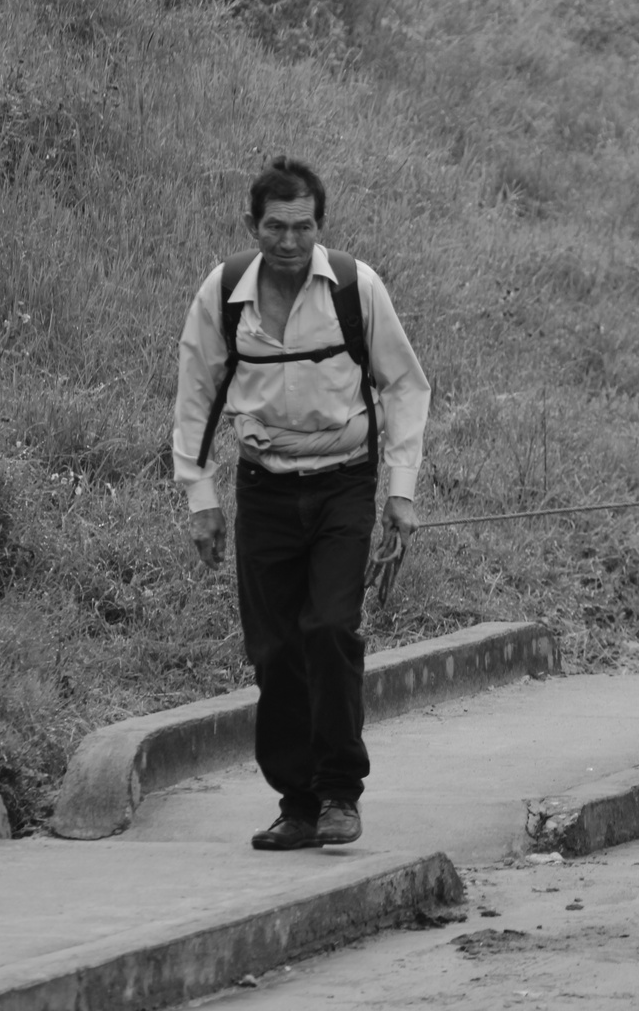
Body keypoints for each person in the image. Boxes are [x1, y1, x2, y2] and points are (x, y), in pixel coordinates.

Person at [172, 157, 431, 849]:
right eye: (276, 227)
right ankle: (298, 804)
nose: (290, 242)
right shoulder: (224, 294)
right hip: (262, 489)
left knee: (329, 629)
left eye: (304, 227)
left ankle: (341, 793)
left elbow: (404, 386)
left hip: (345, 481)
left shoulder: (354, 287)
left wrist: (399, 491)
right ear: (251, 226)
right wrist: (201, 497)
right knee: (275, 650)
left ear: (321, 224)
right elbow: (197, 394)